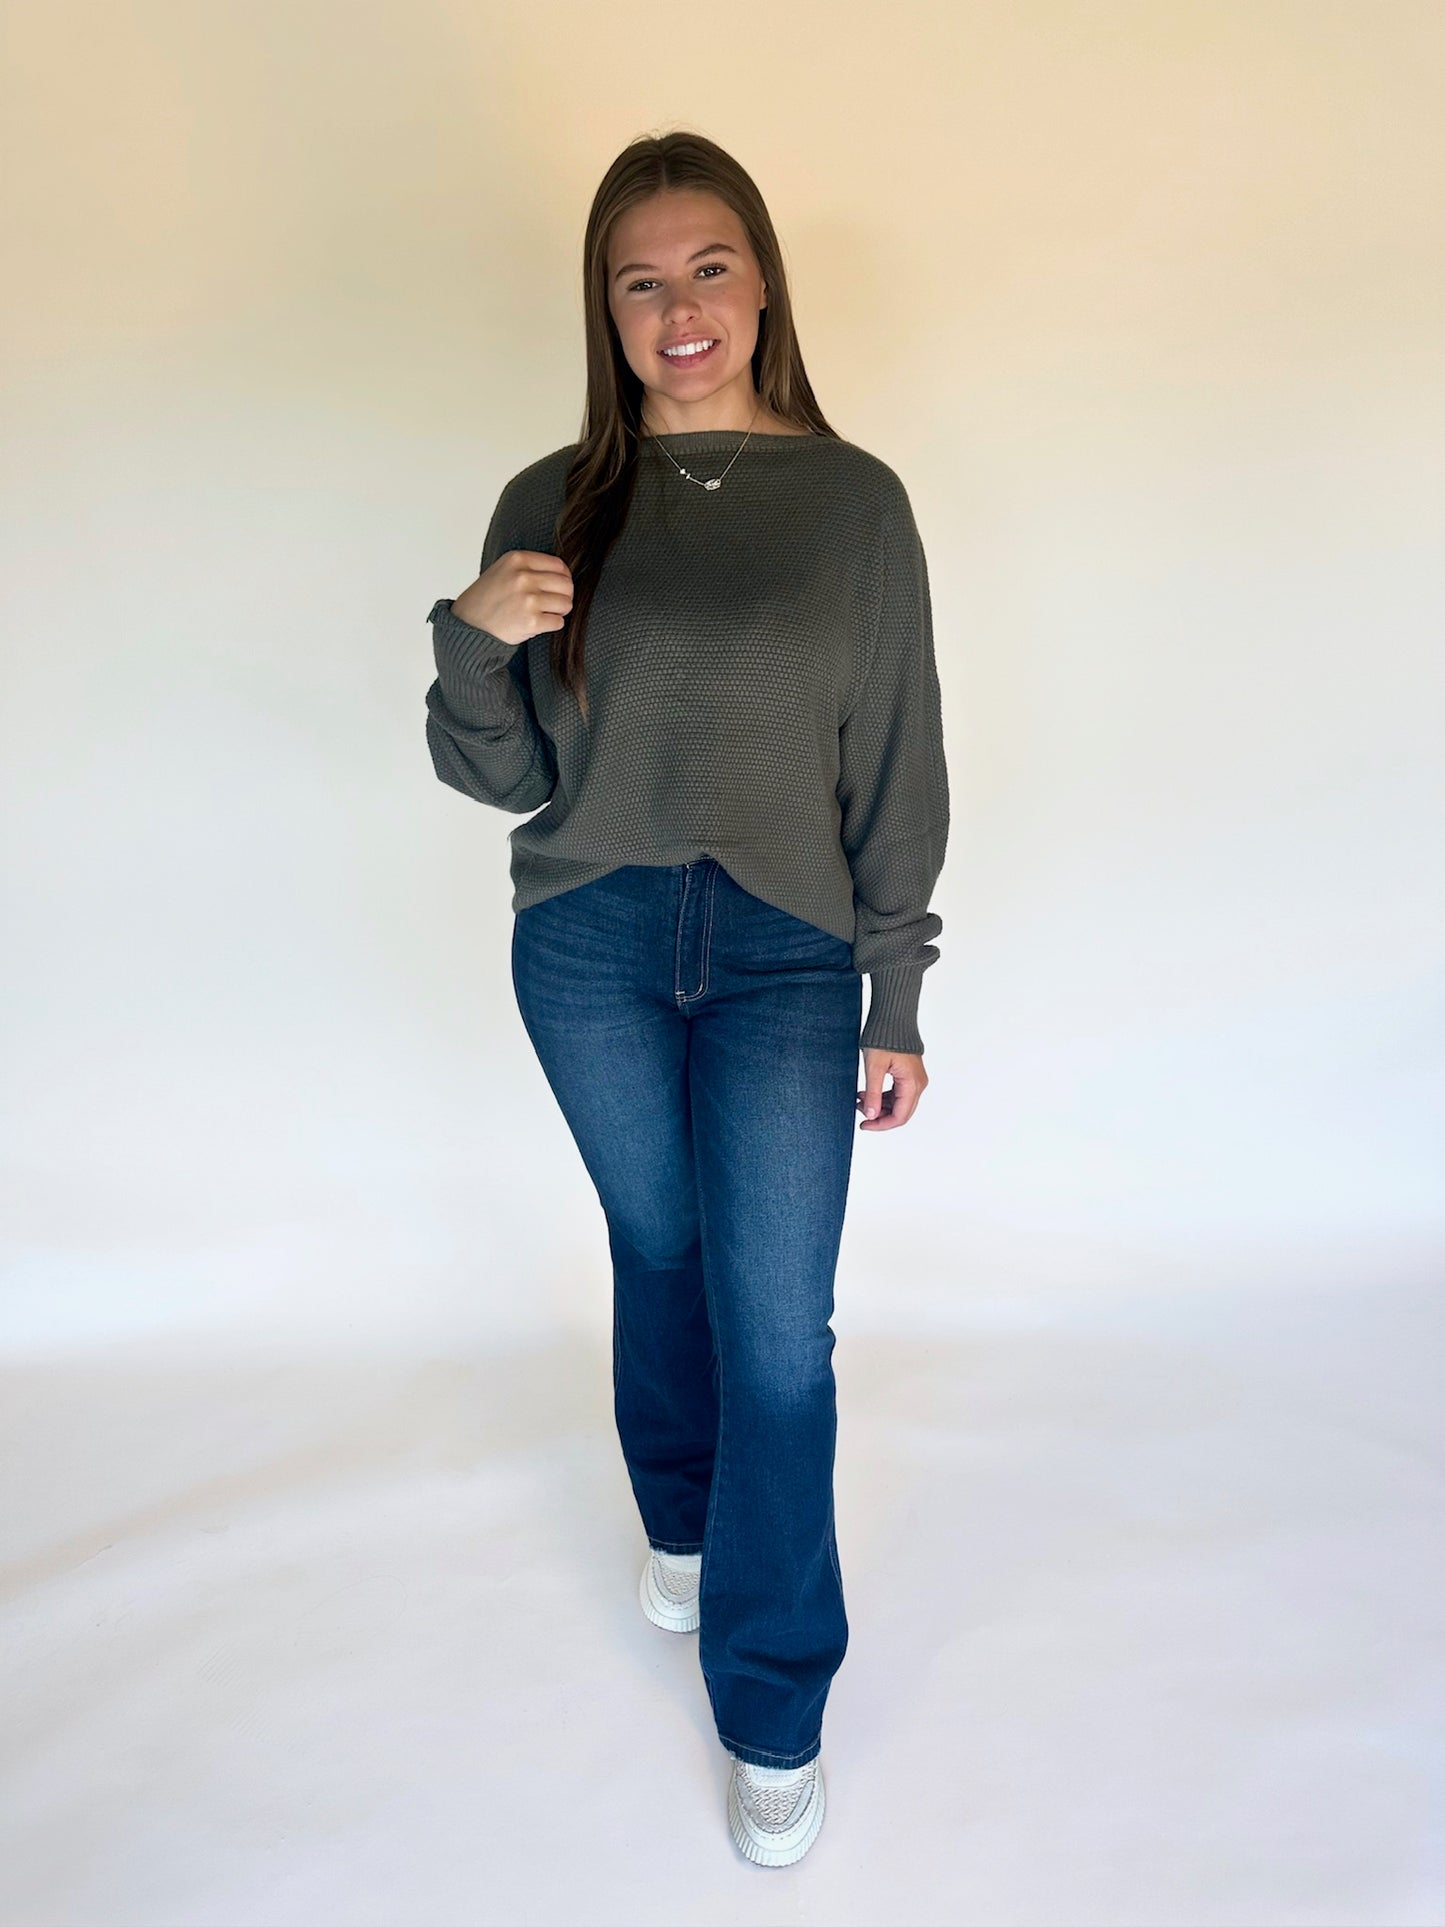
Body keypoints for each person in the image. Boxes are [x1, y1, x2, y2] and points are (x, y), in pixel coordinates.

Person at [423, 129, 949, 1869]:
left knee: (776, 1335)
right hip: (589, 939)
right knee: (656, 1250)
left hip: (794, 956)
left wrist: (896, 986)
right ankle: (676, 1512)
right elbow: (494, 774)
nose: (678, 307)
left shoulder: (853, 503)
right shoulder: (552, 499)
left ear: (762, 277)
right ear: (607, 308)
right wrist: (467, 633)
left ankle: (776, 1698)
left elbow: (895, 756)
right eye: (638, 280)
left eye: (706, 266)